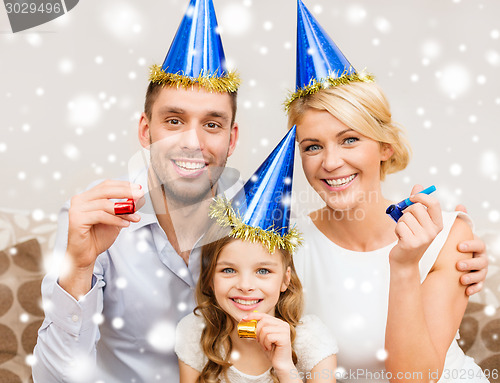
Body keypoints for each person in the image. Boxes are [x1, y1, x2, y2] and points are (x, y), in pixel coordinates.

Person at [32, 0, 242, 382]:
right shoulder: (93, 216)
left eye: (212, 125)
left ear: (232, 139)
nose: (193, 142)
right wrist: (77, 271)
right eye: (174, 120)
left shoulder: (256, 222)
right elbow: (53, 378)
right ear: (145, 130)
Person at [285, 1, 490, 382]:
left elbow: (415, 378)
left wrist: (405, 264)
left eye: (349, 140)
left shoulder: (448, 236)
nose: (329, 162)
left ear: (385, 147)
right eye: (312, 146)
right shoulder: (287, 246)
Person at [175, 127, 337, 382]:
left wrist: (285, 368)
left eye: (263, 271)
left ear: (285, 279)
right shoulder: (195, 334)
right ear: (209, 277)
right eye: (228, 270)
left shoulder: (311, 341)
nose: (245, 286)